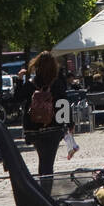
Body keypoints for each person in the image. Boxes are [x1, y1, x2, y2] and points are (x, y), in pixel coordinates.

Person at [23, 50, 69, 184]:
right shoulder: (57, 83)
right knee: (48, 163)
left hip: (34, 128)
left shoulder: (31, 83)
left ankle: (43, 190)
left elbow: (17, 97)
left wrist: (20, 80)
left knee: (43, 159)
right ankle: (46, 193)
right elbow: (63, 104)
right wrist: (68, 124)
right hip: (53, 128)